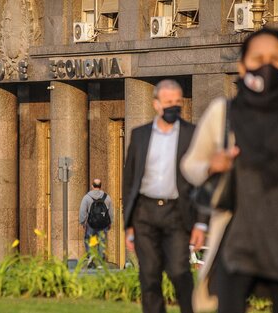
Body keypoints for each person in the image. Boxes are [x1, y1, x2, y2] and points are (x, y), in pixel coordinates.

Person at [181, 28, 278, 313]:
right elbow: (191, 165)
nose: (266, 65)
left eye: (275, 58)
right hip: (237, 236)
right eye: (258, 57)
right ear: (242, 65)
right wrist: (213, 164)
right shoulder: (222, 112)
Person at [123, 79, 207, 313]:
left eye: (177, 102)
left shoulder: (192, 134)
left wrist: (201, 223)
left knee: (179, 272)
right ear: (156, 104)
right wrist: (129, 223)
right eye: (168, 102)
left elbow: (202, 182)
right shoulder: (139, 135)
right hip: (145, 213)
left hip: (177, 214)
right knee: (149, 276)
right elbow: (129, 180)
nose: (173, 106)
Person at [79, 178, 113, 266]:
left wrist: (83, 222)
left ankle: (91, 258)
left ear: (92, 186)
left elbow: (83, 210)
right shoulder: (107, 197)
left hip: (91, 224)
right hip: (103, 224)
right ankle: (101, 260)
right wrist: (110, 222)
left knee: (90, 240)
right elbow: (111, 212)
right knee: (101, 240)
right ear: (100, 186)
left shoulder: (87, 197)